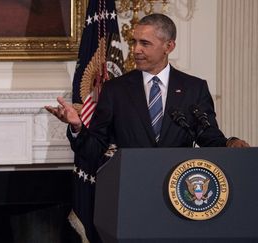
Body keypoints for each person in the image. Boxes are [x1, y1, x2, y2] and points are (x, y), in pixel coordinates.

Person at [45, 13, 249, 162]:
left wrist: (230, 143)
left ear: (169, 46)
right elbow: (94, 149)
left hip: (178, 187)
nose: (136, 50)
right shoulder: (115, 90)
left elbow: (208, 136)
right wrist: (77, 127)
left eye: (145, 43)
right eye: (134, 42)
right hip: (131, 188)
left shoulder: (194, 88)